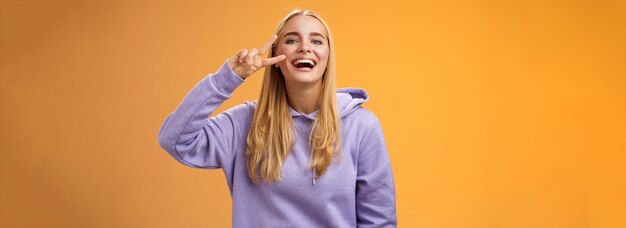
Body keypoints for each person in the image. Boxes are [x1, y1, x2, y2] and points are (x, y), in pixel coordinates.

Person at [158, 9, 397, 227]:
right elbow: (175, 140)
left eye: (316, 40)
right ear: (275, 56)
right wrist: (227, 78)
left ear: (328, 56)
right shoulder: (244, 123)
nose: (305, 47)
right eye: (292, 40)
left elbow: (379, 222)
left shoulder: (362, 126)